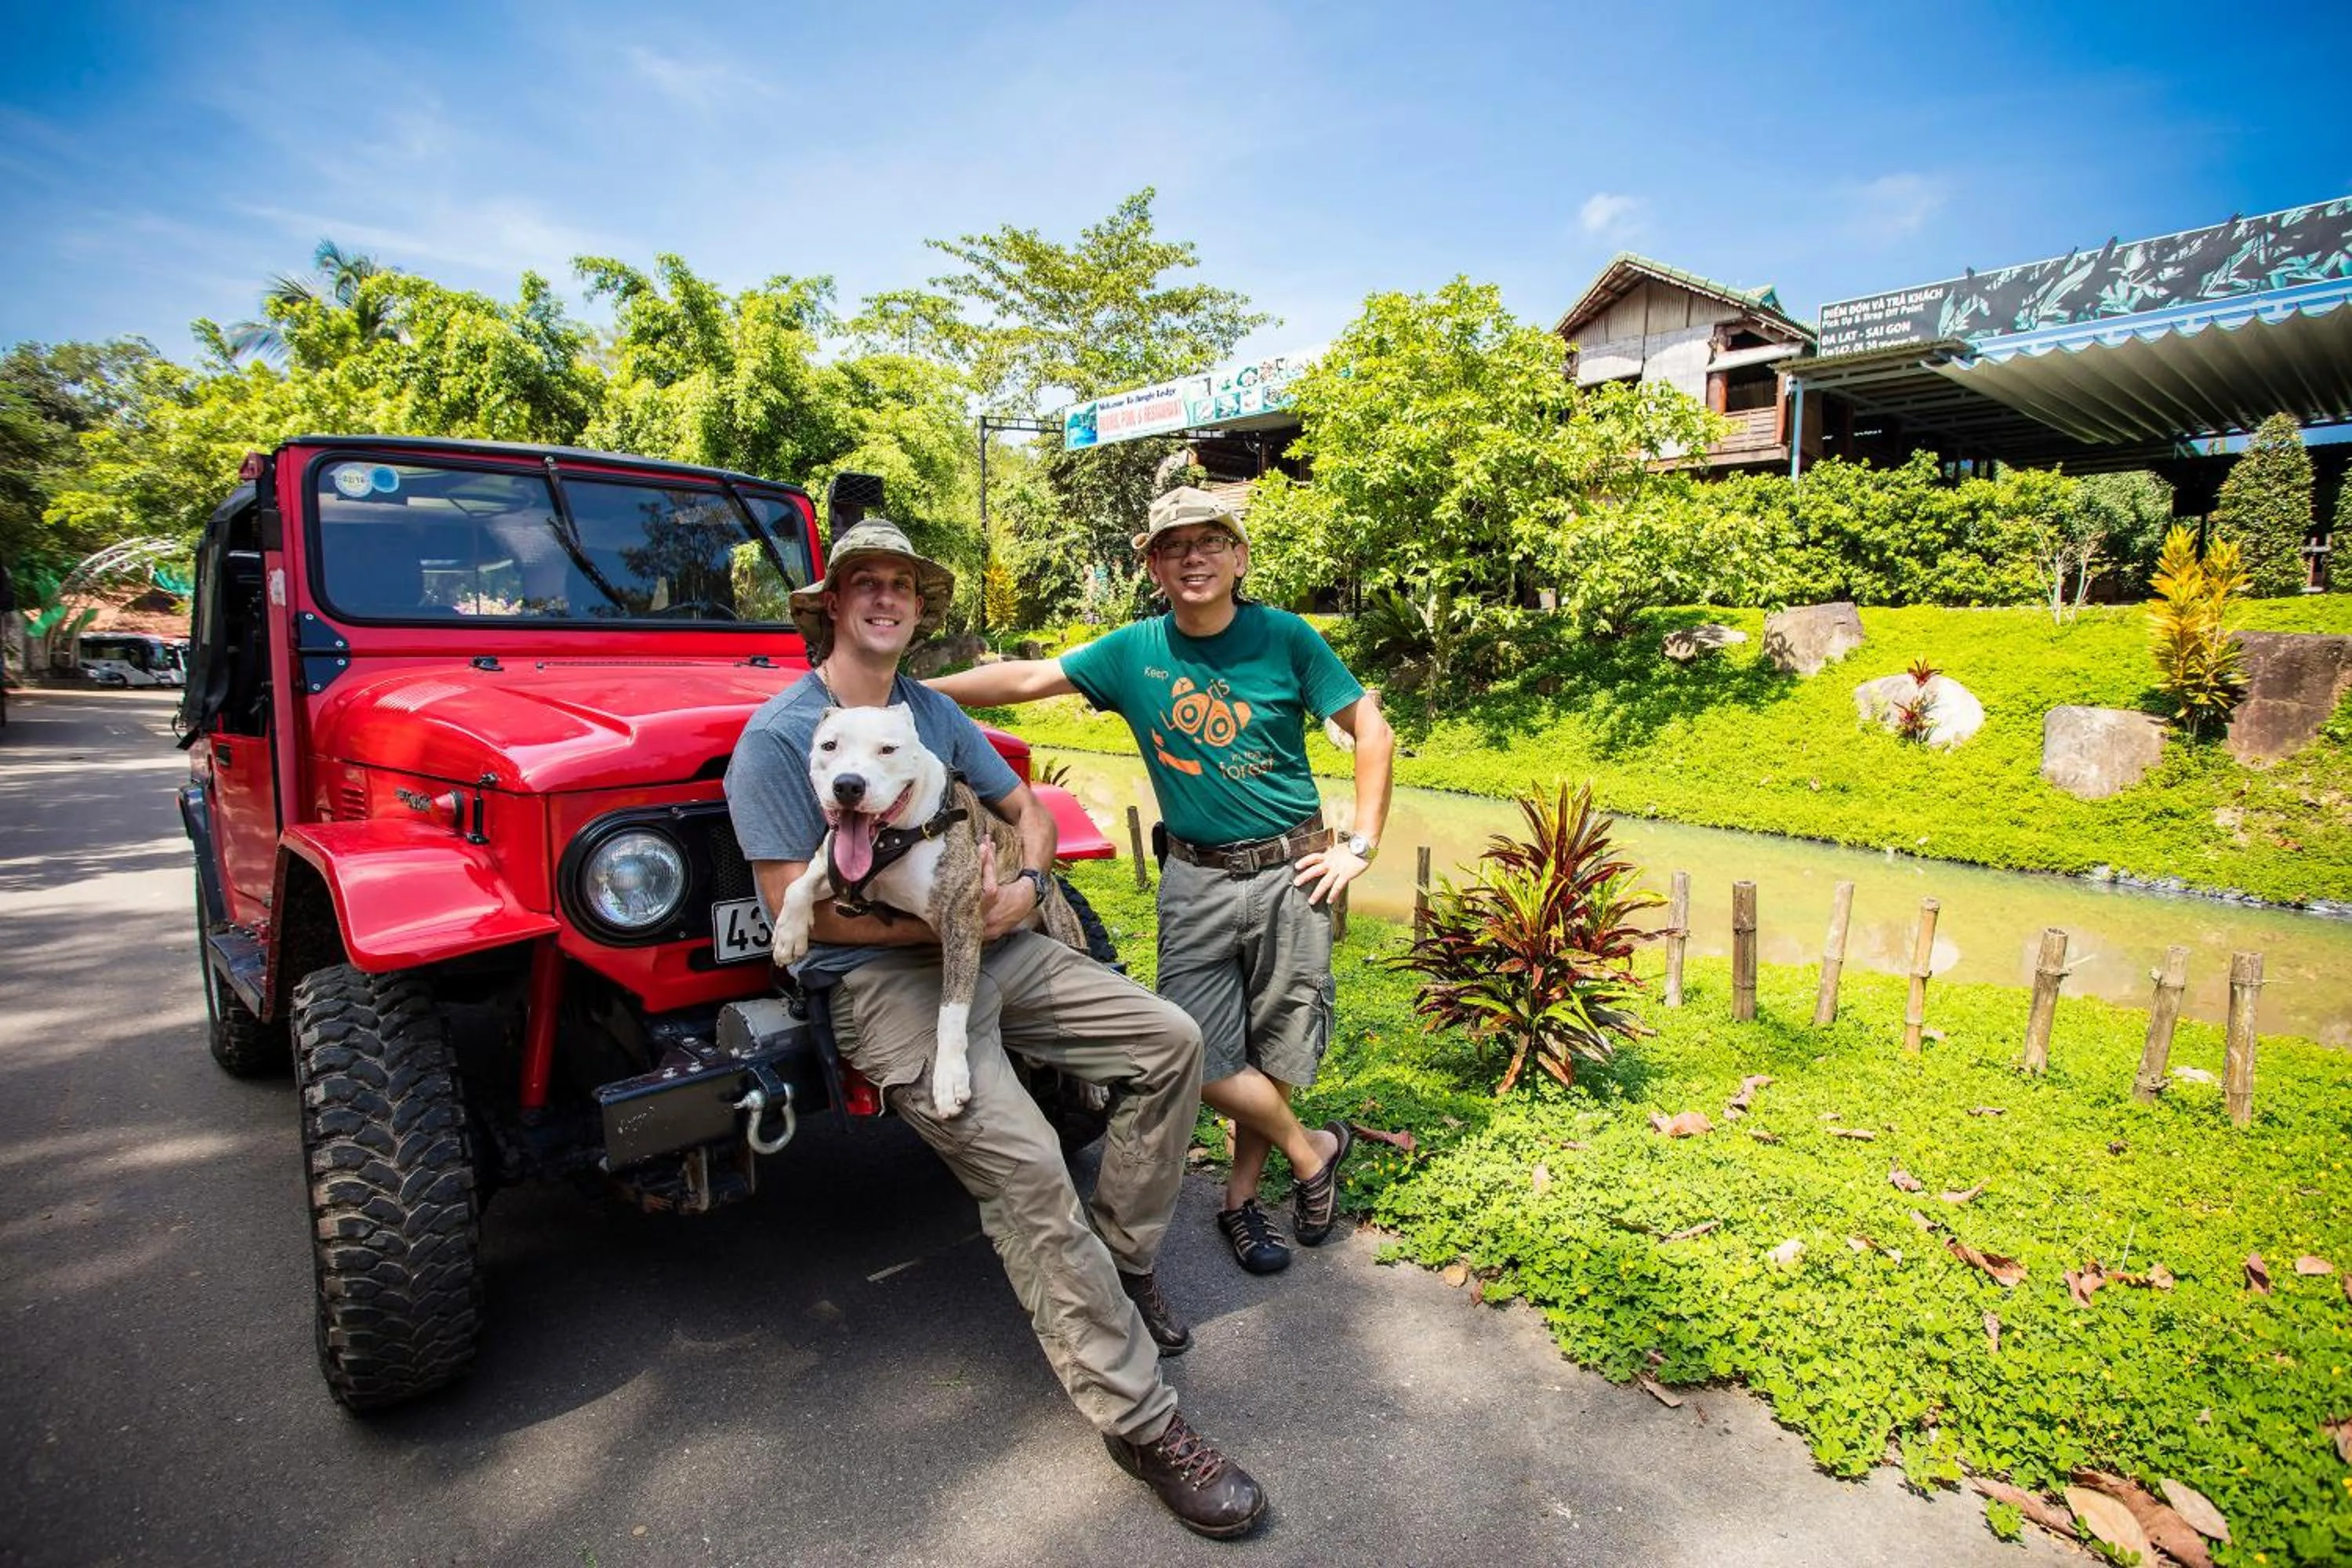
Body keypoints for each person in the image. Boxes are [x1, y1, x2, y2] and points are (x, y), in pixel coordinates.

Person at [724, 519, 1267, 1541]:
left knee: (1171, 1042)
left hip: (997, 942)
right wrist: (952, 920)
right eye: (864, 583)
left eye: (902, 585)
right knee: (1026, 1166)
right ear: (831, 604)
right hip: (882, 978)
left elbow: (1031, 812)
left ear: (918, 608)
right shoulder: (784, 736)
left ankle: (1121, 1263)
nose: (885, 599)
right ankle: (1144, 1423)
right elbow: (796, 907)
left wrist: (1026, 883)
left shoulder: (930, 713)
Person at [930, 488, 1395, 1277]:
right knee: (1192, 1051)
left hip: (1292, 872)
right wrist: (910, 692)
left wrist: (1362, 845)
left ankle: (1240, 1202)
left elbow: (1371, 729)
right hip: (1194, 879)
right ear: (1153, 566)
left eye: (1211, 541)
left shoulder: (1286, 637)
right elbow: (1027, 679)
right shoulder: (1133, 651)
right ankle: (1312, 1148)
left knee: (1274, 1048)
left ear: (1239, 557)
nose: (1194, 557)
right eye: (1174, 546)